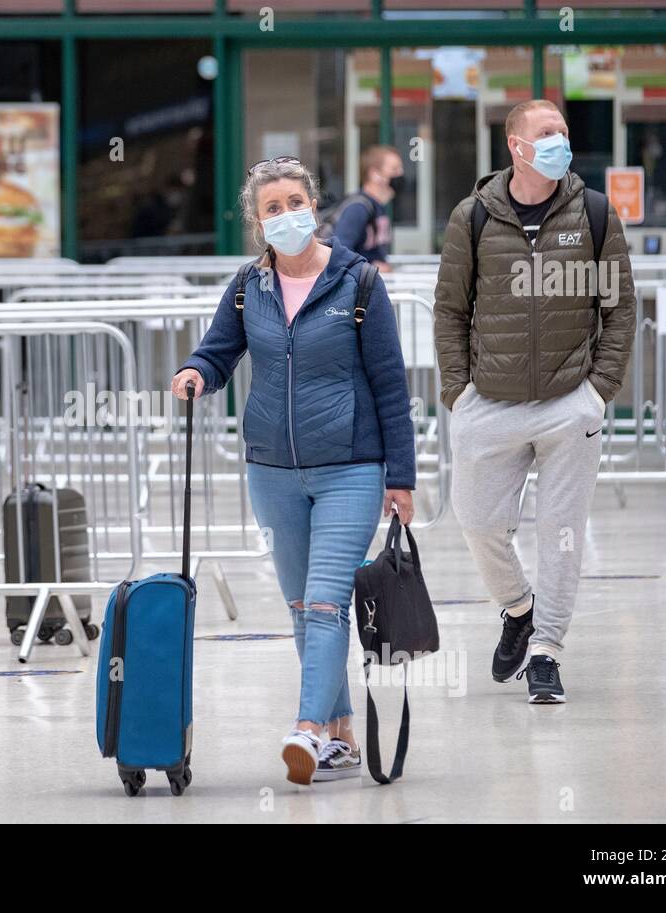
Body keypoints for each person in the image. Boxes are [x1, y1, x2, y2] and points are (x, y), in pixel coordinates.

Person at [171, 155, 416, 785]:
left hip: (350, 469)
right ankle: (339, 734)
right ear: (258, 220)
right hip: (272, 470)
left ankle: (307, 727)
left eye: (294, 203)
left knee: (329, 603)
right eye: (271, 208)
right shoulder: (249, 284)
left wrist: (402, 476)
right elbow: (219, 349)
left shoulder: (358, 282)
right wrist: (198, 371)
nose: (285, 215)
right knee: (302, 605)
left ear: (315, 206)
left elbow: (391, 384)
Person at [433, 99, 637, 704]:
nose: (559, 143)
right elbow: (450, 311)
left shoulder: (595, 212)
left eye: (564, 133)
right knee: (476, 520)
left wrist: (596, 393)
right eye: (546, 134)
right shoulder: (472, 217)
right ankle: (517, 608)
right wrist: (457, 393)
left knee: (562, 531)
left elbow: (620, 308)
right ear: (516, 146)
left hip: (568, 401)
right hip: (487, 403)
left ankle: (546, 650)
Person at [318, 144, 404, 272]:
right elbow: (340, 254)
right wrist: (371, 269)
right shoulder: (358, 208)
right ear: (375, 174)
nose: (400, 174)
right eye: (394, 169)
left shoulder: (377, 207)